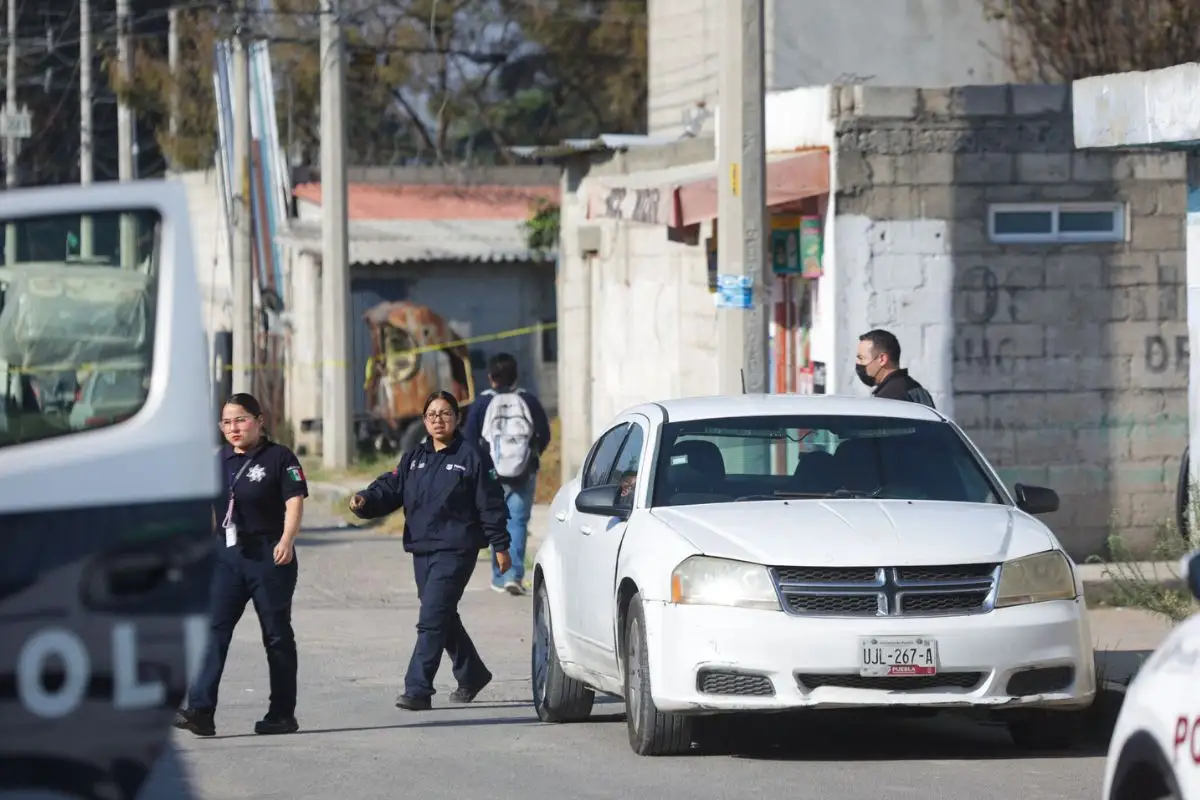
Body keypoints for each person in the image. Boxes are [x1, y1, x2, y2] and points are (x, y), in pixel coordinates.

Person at [349, 390, 511, 710]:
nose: (439, 420)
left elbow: (490, 503)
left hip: (457, 548)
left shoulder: (471, 456)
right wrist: (365, 501)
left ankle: (418, 689)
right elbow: (391, 487)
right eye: (432, 415)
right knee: (440, 615)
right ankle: (472, 672)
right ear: (424, 421)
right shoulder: (415, 457)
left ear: (457, 418)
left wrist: (501, 545)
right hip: (422, 549)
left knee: (431, 618)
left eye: (445, 413)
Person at [175, 392, 308, 737]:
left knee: (276, 636)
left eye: (241, 420)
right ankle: (200, 711)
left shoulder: (280, 457)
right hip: (227, 558)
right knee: (213, 631)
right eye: (227, 422)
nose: (234, 428)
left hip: (269, 555)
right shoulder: (219, 460)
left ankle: (282, 714)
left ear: (259, 420)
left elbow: (294, 501)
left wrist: (287, 539)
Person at [462, 352, 551, 596]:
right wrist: (531, 457)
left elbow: (469, 440)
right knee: (518, 522)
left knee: (495, 523)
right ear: (516, 377)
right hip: (523, 472)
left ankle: (499, 577)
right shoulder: (529, 401)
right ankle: (514, 575)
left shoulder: (481, 403)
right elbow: (544, 433)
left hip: (491, 474)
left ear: (491, 377)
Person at [855, 328, 936, 408]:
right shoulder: (915, 387)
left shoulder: (888, 399)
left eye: (861, 358)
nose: (858, 363)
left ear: (882, 359)